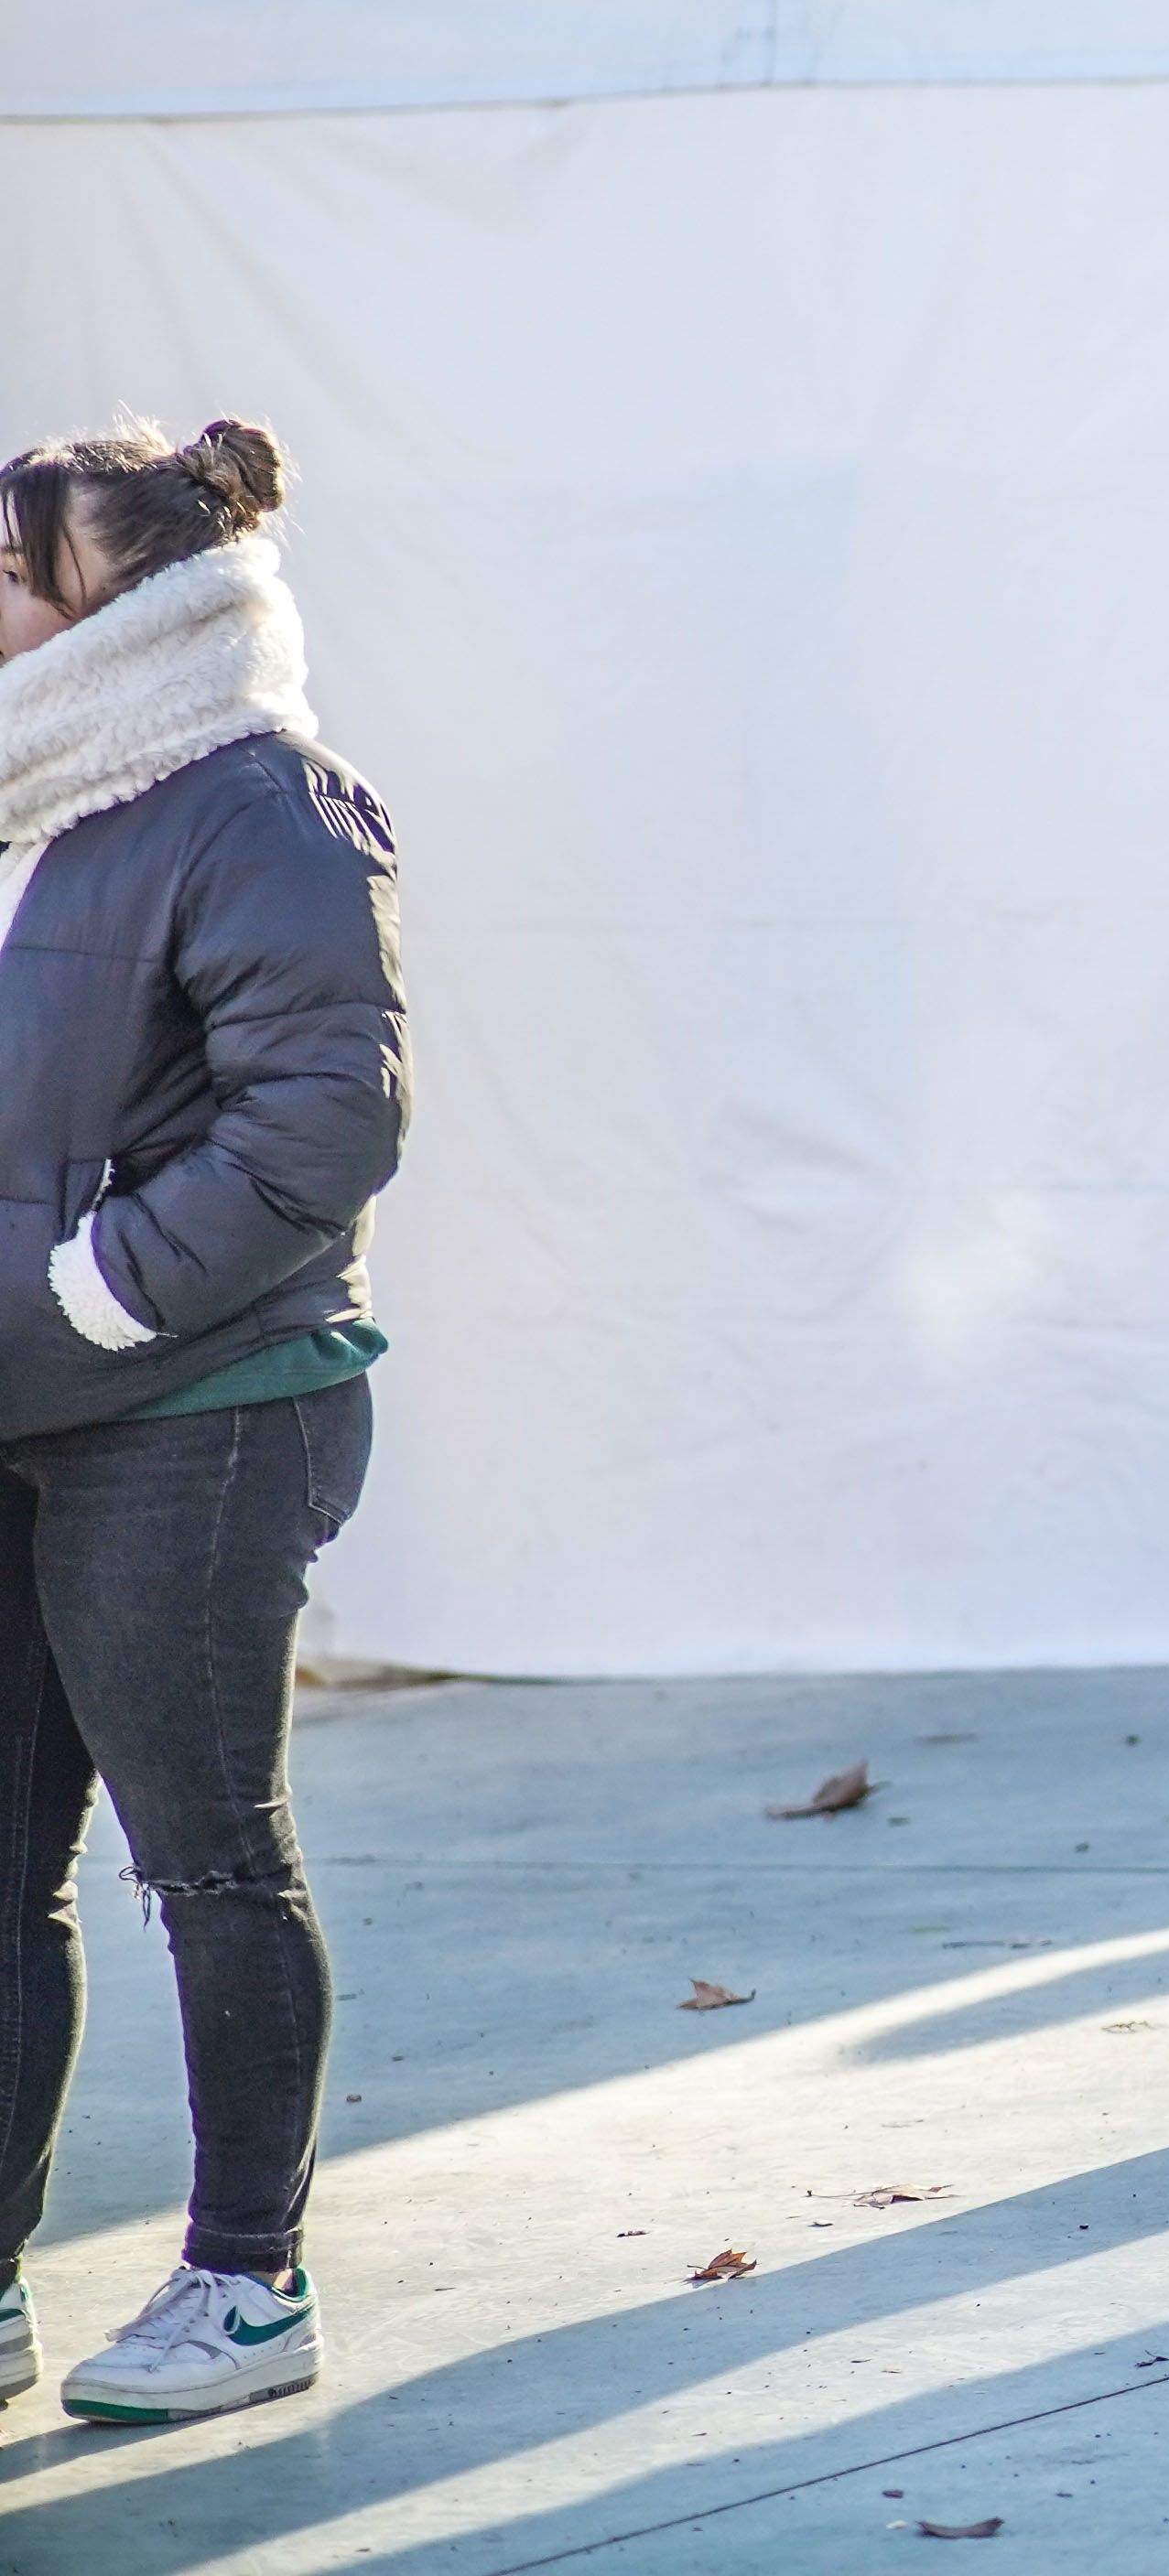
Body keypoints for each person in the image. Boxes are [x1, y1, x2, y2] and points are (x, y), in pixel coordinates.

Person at [0, 420, 401, 2427]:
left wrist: (91, 1289)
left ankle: (248, 2280)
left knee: (204, 1859)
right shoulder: (25, 798)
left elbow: (329, 1115)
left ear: (122, 605)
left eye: (9, 572)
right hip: (12, 1404)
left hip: (196, 1402)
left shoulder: (260, 803)